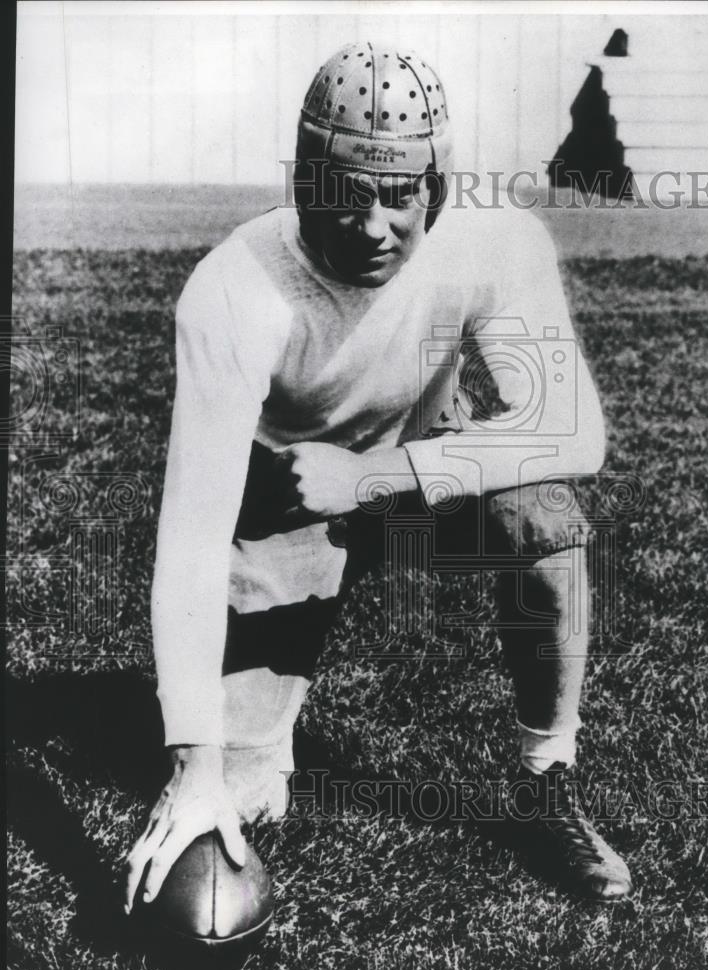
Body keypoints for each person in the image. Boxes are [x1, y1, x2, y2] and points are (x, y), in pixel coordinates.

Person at [124, 41, 632, 915]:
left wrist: (372, 476)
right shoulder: (235, 291)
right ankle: (241, 746)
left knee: (540, 516)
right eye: (344, 195)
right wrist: (194, 766)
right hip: (283, 508)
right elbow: (192, 539)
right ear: (302, 181)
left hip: (397, 478)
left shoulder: (494, 241)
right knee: (249, 791)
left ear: (437, 183)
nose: (371, 228)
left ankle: (546, 783)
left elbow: (574, 432)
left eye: (399, 196)